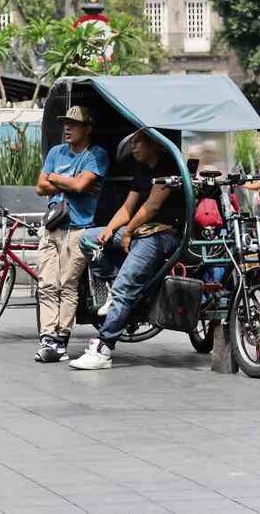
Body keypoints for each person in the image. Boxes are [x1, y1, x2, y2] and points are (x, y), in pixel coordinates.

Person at [69, 130, 183, 370]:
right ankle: (115, 282)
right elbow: (128, 207)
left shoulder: (168, 166)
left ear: (153, 144)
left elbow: (151, 207)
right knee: (88, 239)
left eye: (138, 142)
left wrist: (128, 232)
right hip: (139, 231)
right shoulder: (141, 169)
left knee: (124, 288)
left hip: (160, 235)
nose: (133, 147)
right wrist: (109, 230)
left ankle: (103, 348)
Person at [33, 106, 109, 363]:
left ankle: (60, 338)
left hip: (79, 229)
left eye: (73, 124)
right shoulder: (56, 152)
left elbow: (79, 184)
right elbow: (40, 187)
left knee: (67, 285)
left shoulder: (96, 155)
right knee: (46, 284)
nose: (67, 128)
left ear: (87, 128)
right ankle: (47, 337)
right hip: (52, 226)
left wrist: (55, 177)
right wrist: (69, 181)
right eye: (66, 123)